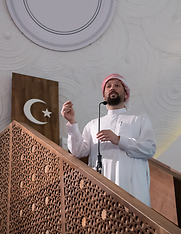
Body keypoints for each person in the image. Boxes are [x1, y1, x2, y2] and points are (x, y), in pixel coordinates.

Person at [61, 74, 156, 207]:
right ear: (104, 96)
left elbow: (149, 149)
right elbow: (78, 152)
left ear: (126, 94)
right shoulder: (93, 124)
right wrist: (72, 123)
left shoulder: (139, 119)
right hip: (101, 188)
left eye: (117, 85)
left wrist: (118, 140)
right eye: (108, 86)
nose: (112, 88)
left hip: (131, 188)